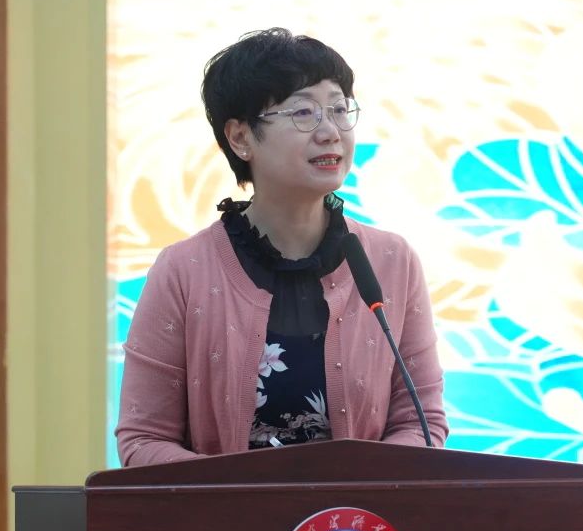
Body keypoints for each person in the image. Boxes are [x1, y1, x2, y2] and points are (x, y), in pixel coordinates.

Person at [116, 28, 447, 466]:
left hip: (355, 512)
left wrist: (353, 489)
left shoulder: (391, 261)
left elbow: (422, 425)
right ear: (240, 138)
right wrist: (243, 495)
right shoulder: (183, 270)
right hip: (225, 511)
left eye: (339, 109)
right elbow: (143, 440)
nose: (330, 132)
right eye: (303, 112)